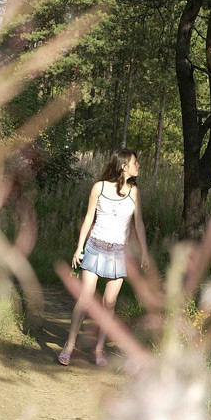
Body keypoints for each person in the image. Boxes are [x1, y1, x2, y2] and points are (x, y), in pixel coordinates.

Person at [58, 149, 149, 366]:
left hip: (118, 252)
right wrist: (79, 248)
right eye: (135, 162)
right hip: (95, 247)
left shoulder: (134, 191)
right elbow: (89, 218)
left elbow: (138, 223)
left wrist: (144, 251)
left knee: (109, 302)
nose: (138, 166)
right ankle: (69, 345)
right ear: (124, 166)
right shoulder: (98, 188)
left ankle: (99, 349)